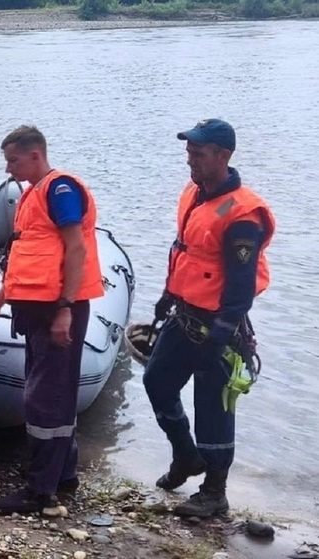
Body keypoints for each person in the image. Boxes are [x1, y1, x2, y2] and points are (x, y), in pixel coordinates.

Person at [143, 119, 275, 518]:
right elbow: (187, 251)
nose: (190, 161)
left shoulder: (242, 216)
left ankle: (215, 492)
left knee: (213, 407)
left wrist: (219, 337)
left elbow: (240, 286)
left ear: (223, 155)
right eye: (188, 152)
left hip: (218, 324)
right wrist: (167, 296)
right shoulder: (195, 194)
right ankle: (186, 455)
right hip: (184, 314)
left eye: (197, 154)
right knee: (157, 381)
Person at [0, 125, 104, 515]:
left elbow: (75, 248)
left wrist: (65, 308)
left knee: (45, 400)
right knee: (51, 394)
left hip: (57, 310)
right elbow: (24, 262)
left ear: (34, 155)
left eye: (13, 159)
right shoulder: (32, 195)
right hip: (35, 310)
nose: (8, 168)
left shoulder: (60, 190)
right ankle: (62, 475)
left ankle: (39, 491)